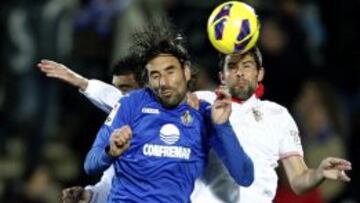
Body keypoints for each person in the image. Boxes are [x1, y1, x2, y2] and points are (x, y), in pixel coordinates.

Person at [59, 46, 351, 203]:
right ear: (221, 74)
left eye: (247, 66)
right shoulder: (200, 101)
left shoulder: (278, 115)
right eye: (231, 67)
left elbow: (299, 181)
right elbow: (133, 106)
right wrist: (85, 84)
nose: (239, 73)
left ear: (260, 74)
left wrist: (319, 173)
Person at [85, 22, 254, 202]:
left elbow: (245, 176)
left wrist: (222, 126)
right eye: (155, 75)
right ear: (148, 80)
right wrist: (110, 151)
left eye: (170, 71)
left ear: (186, 71)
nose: (163, 82)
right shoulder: (130, 105)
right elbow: (90, 164)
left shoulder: (205, 114)